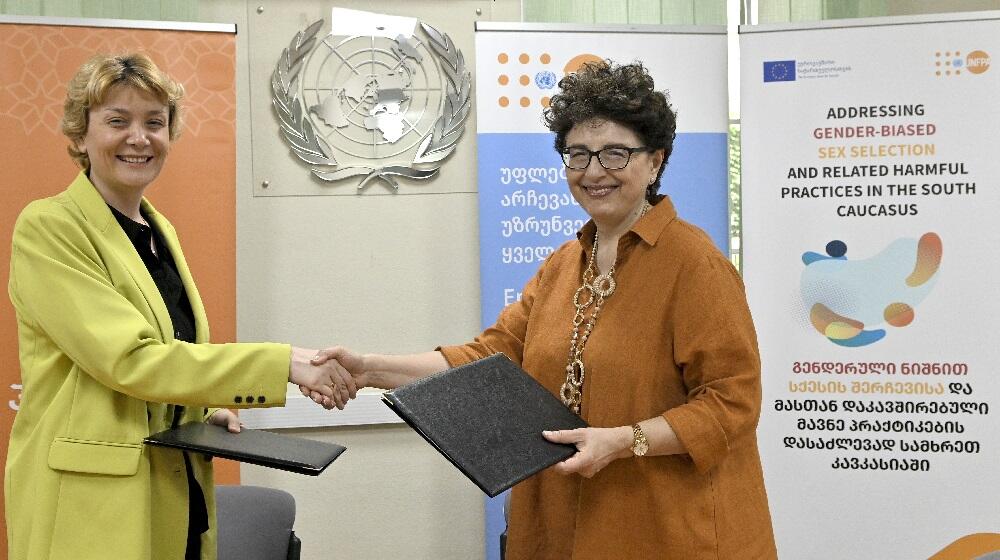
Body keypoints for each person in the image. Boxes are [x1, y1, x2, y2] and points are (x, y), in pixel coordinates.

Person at [311, 61, 777, 559]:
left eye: (616, 154)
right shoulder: (563, 264)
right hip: (560, 522)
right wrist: (369, 369)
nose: (593, 172)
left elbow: (732, 404)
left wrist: (622, 440)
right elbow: (489, 360)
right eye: (578, 154)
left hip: (661, 528)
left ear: (656, 161)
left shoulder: (695, 265)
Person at [4, 53, 355, 560]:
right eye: (117, 121)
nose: (139, 137)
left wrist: (199, 408)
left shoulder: (158, 229)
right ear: (81, 136)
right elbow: (131, 360)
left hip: (174, 486)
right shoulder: (49, 227)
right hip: (91, 504)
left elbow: (172, 353)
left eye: (155, 122)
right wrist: (286, 364)